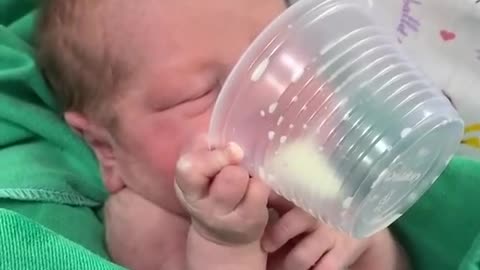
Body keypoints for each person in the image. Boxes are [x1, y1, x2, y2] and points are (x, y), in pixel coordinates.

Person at [35, 0, 410, 269]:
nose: (274, 98)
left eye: (284, 58)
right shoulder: (145, 225)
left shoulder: (319, 168)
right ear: (106, 149)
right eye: (198, 94)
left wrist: (365, 239)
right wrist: (225, 244)